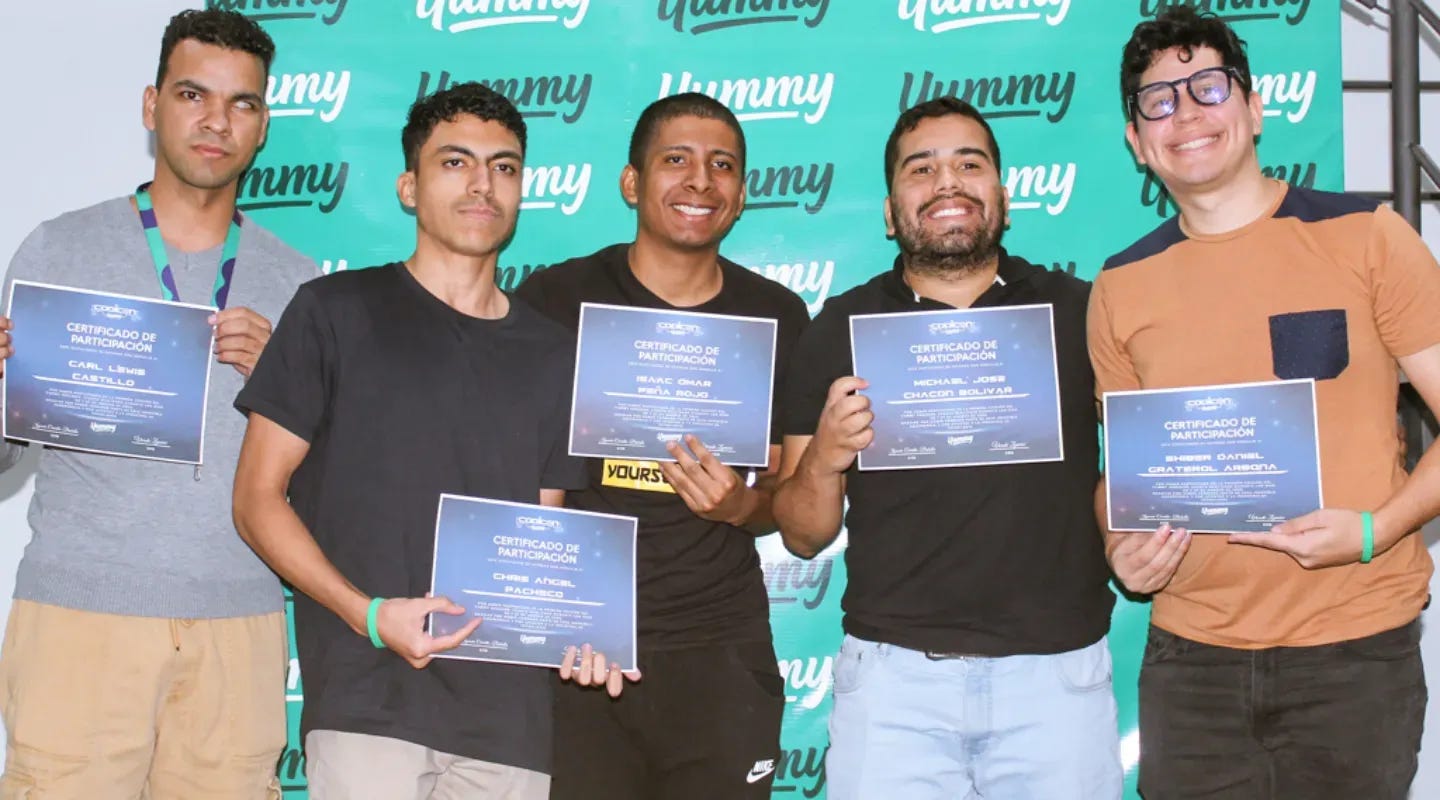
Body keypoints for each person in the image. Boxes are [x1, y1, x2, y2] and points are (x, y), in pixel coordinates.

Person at [1090, 8, 1440, 798]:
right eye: (1160, 101)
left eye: (1207, 87)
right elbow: (1126, 474)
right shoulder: (1118, 287)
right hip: (1191, 661)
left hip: (1355, 652)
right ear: (1138, 141)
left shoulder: (1368, 237)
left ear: (1252, 108)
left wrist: (1374, 530)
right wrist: (1122, 551)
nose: (1186, 113)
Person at [231, 82, 594, 799]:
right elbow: (255, 499)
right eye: (455, 162)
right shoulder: (334, 313)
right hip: (369, 703)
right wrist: (367, 614)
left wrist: (579, 636)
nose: (482, 183)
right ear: (409, 185)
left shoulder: (558, 357)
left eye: (505, 166)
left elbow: (544, 537)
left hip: (510, 724)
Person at [0, 10, 314, 798]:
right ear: (151, 106)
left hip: (239, 625)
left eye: (241, 103)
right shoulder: (58, 247)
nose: (216, 121)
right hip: (80, 614)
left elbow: (328, 481)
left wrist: (290, 380)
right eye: (192, 94)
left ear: (263, 125)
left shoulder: (302, 284)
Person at [772, 97, 1120, 800]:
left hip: (1056, 680)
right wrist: (826, 455)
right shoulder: (841, 325)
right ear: (890, 209)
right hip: (895, 687)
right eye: (920, 168)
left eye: (970, 163)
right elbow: (804, 536)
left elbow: (1148, 459)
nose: (947, 182)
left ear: (1004, 196)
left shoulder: (1082, 313)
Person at [514, 92, 810, 799]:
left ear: (740, 195)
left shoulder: (777, 315)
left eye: (722, 165)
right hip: (581, 656)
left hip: (719, 649)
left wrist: (742, 505)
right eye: (676, 160)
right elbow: (510, 476)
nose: (700, 181)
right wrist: (554, 617)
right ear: (632, 183)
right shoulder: (555, 300)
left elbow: (788, 504)